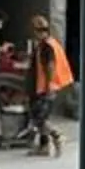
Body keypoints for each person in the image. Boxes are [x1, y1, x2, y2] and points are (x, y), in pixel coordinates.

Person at [23, 14, 75, 156]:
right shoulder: (48, 44)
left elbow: (50, 66)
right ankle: (44, 146)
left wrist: (49, 85)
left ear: (38, 31)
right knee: (41, 116)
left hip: (43, 88)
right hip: (44, 87)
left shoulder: (47, 46)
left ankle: (57, 135)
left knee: (39, 118)